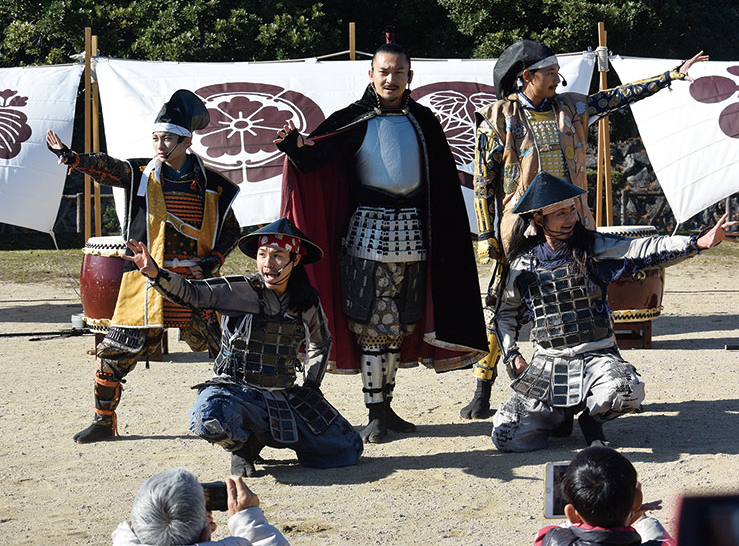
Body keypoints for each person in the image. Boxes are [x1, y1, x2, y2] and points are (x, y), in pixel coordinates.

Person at [462, 40, 710, 420]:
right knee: (502, 303)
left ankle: (601, 377)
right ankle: (483, 385)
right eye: (550, 72)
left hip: (573, 222)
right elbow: (483, 182)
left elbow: (619, 97)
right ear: (527, 76)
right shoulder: (498, 119)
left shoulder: (572, 108)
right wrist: (485, 235)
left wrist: (670, 76)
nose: (557, 78)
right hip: (522, 228)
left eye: (557, 71)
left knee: (589, 296)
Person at [274, 43, 488, 443]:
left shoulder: (424, 122)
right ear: (370, 74)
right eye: (384, 72)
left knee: (401, 326)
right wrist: (294, 148)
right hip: (367, 236)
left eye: (398, 72)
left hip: (416, 236)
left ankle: (386, 408)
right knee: (374, 327)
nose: (391, 79)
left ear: (410, 77)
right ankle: (375, 412)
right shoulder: (351, 120)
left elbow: (441, 185)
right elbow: (313, 160)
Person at [491, 172, 739, 452]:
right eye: (561, 213)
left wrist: (697, 242)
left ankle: (592, 418)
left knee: (627, 392)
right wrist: (512, 356)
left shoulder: (594, 248)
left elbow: (644, 248)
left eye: (572, 209)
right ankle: (558, 417)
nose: (571, 217)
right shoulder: (522, 265)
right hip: (548, 363)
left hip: (596, 357)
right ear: (538, 219)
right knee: (506, 436)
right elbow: (504, 314)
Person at [46, 90, 240, 444]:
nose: (159, 145)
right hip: (146, 281)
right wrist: (73, 158)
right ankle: (103, 421)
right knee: (115, 351)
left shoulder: (213, 185)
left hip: (195, 285)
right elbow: (108, 167)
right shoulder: (139, 174)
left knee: (228, 352)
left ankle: (237, 419)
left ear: (186, 140)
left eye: (167, 138)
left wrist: (213, 260)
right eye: (155, 137)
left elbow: (231, 230)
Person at [123, 218, 363, 476]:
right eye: (262, 255)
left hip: (283, 394)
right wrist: (155, 274)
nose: (268, 263)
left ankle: (261, 437)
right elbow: (192, 292)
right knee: (208, 416)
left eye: (277, 256)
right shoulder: (239, 290)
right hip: (236, 392)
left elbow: (320, 341)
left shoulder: (306, 300)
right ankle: (241, 447)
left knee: (348, 447)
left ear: (295, 260)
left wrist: (311, 385)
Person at [534, 446, 673, 546]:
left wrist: (583, 514)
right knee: (650, 525)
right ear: (636, 501)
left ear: (572, 514)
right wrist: (633, 517)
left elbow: (562, 532)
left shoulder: (549, 539)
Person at [111, 468, 289, 546]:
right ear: (205, 535)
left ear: (135, 529)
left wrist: (152, 522)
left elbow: (125, 534)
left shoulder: (125, 537)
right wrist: (249, 520)